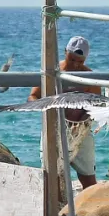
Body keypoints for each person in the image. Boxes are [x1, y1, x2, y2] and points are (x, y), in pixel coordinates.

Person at [32, 35, 99, 189]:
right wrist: (43, 108)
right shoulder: (51, 72)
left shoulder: (89, 76)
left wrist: (82, 120)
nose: (75, 64)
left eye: (80, 62)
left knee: (88, 176)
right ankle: (54, 208)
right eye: (72, 59)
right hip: (53, 130)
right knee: (51, 175)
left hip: (80, 132)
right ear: (65, 52)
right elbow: (34, 95)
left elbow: (96, 105)